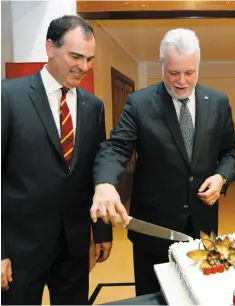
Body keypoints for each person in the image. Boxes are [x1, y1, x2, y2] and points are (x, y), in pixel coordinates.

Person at [90, 28, 235, 295]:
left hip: (201, 229)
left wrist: (222, 177)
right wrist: (104, 182)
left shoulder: (218, 102)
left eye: (189, 73)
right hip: (154, 229)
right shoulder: (140, 103)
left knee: (197, 294)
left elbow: (230, 152)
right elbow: (116, 148)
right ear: (161, 65)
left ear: (198, 66)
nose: (181, 81)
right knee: (154, 297)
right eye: (173, 73)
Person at [1, 15, 113, 304]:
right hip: (19, 250)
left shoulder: (93, 107)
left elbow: (95, 172)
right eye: (76, 56)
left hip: (74, 247)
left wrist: (101, 230)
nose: (84, 66)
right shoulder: (8, 97)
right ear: (50, 48)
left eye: (89, 59)